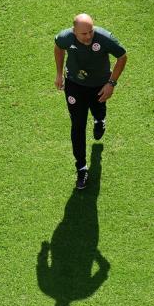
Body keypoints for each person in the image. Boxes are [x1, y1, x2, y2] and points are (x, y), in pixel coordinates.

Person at [54, 13, 128, 189]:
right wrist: (58, 73)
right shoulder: (65, 38)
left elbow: (122, 56)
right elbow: (58, 47)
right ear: (74, 31)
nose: (88, 36)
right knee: (77, 125)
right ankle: (81, 168)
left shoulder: (104, 38)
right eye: (83, 34)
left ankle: (99, 120)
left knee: (98, 108)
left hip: (99, 85)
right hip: (74, 85)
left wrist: (111, 83)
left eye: (90, 32)